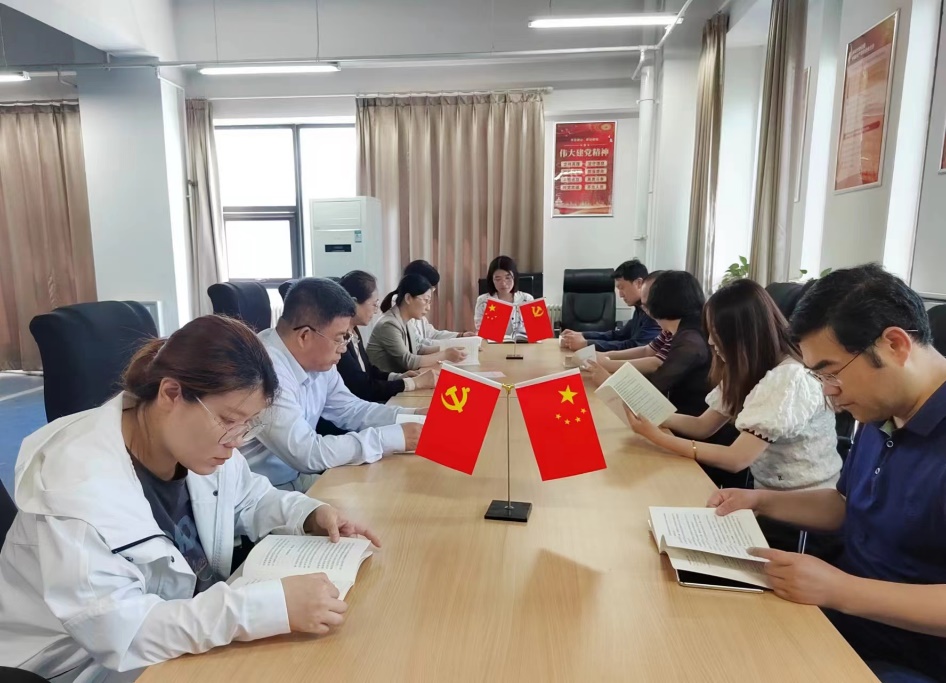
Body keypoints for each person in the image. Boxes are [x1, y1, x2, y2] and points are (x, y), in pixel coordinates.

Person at [0, 315, 380, 682]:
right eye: (228, 420)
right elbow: (125, 632)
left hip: (187, 632)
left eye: (247, 425)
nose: (236, 442)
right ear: (171, 393)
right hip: (84, 667)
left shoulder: (192, 444)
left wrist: (310, 514)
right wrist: (267, 608)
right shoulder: (76, 489)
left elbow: (248, 497)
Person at [709, 265, 946, 683]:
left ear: (894, 345)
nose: (829, 393)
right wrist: (760, 501)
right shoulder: (882, 408)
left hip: (912, 657)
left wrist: (840, 590)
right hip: (843, 618)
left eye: (831, 372)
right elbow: (844, 504)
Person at [621, 279, 842, 549]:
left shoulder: (788, 379)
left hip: (802, 518)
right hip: (764, 500)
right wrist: (651, 417)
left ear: (744, 334)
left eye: (716, 333)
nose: (710, 341)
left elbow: (736, 459)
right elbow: (703, 426)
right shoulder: (749, 367)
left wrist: (658, 438)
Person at [241, 278, 426, 491]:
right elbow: (307, 453)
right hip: (263, 493)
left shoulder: (320, 363)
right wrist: (393, 437)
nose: (344, 348)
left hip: (296, 479)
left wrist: (413, 416)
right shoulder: (264, 370)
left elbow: (351, 409)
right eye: (340, 338)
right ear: (304, 336)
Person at [337, 270, 438, 402]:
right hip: (364, 402)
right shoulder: (339, 340)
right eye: (374, 304)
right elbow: (363, 388)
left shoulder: (354, 331)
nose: (376, 311)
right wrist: (413, 383)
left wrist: (398, 377)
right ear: (354, 303)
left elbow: (369, 371)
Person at [367, 274, 467, 375]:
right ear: (408, 298)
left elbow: (418, 349)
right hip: (386, 383)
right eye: (426, 301)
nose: (428, 308)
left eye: (429, 302)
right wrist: (445, 354)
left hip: (404, 378)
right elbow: (408, 361)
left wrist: (450, 348)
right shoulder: (389, 324)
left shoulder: (406, 321)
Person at [560, 259, 661, 352]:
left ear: (639, 283)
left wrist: (587, 344)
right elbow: (618, 335)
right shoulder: (639, 310)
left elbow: (635, 347)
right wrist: (582, 335)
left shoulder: (653, 313)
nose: (620, 295)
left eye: (622, 287)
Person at [592, 270, 670, 376]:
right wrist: (606, 355)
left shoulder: (685, 335)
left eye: (649, 295)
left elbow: (655, 363)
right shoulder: (668, 331)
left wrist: (607, 364)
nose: (644, 304)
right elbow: (646, 350)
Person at [401, 259, 476, 345]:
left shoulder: (417, 305)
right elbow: (418, 345)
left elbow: (432, 334)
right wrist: (449, 346)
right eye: (429, 288)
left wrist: (460, 336)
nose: (430, 292)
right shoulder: (402, 308)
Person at [473, 255, 534, 338]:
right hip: (494, 345)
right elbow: (481, 333)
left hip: (522, 344)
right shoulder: (483, 301)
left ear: (514, 277)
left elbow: (538, 332)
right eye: (498, 279)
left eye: (508, 278)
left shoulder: (527, 299)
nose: (503, 283)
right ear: (492, 280)